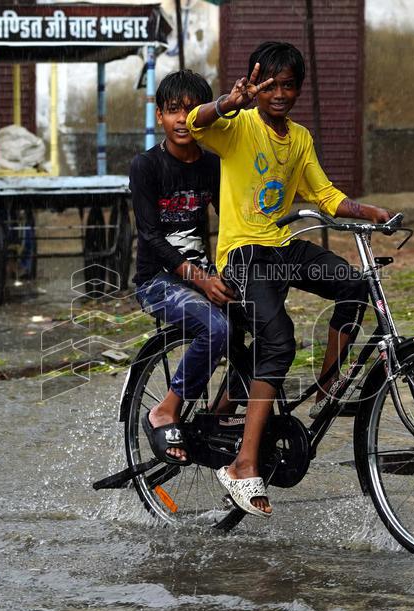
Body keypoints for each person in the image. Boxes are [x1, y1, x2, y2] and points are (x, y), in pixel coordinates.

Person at [187, 41, 392, 516]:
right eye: (270, 85)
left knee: (355, 285)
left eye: (288, 85)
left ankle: (326, 385)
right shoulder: (238, 126)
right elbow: (198, 124)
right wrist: (227, 102)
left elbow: (326, 195)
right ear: (256, 87)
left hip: (281, 247)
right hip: (242, 254)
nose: (279, 94)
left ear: (298, 88)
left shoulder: (298, 138)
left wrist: (372, 212)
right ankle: (242, 464)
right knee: (279, 342)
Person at [131, 70, 236, 466]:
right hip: (157, 281)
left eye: (191, 110)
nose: (181, 119)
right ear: (159, 116)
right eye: (172, 110)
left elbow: (229, 221)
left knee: (269, 329)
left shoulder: (213, 166)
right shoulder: (146, 167)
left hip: (205, 275)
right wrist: (201, 278)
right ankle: (166, 409)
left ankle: (221, 416)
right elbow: (150, 238)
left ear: (203, 116)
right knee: (216, 328)